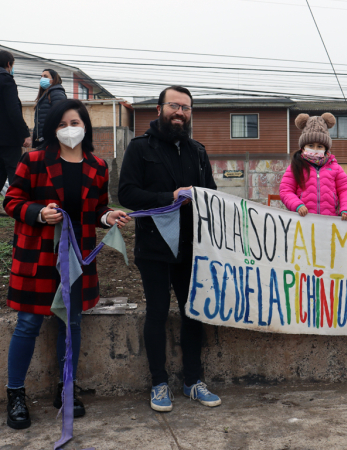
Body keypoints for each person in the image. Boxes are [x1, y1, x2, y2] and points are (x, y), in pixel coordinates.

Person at [2, 99, 131, 429]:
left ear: (85, 126)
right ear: (51, 130)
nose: (68, 129)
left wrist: (108, 216)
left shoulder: (98, 166)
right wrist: (39, 213)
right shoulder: (33, 161)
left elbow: (96, 210)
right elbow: (11, 200)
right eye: (61, 125)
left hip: (78, 257)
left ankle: (66, 387)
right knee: (28, 323)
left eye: (74, 122)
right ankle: (15, 393)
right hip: (38, 256)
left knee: (70, 325)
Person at [118, 86, 220, 412]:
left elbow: (212, 196)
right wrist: (169, 197)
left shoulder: (198, 151)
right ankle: (159, 383)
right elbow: (127, 194)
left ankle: (194, 381)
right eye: (174, 105)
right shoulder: (139, 149)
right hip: (154, 248)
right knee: (158, 313)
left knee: (194, 314)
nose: (180, 112)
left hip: (192, 249)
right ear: (159, 109)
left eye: (186, 108)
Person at [279, 113, 347, 220]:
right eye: (310, 145)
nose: (315, 149)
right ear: (303, 147)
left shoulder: (335, 168)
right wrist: (297, 205)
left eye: (319, 146)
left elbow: (346, 190)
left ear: (325, 149)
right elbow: (285, 190)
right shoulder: (296, 166)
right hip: (302, 221)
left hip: (330, 223)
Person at [0, 50, 31, 216]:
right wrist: (24, 133)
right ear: (9, 64)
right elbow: (13, 110)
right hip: (8, 135)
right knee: (14, 169)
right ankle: (18, 204)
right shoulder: (6, 80)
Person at [33, 69, 67, 147]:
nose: (42, 79)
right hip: (44, 138)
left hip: (51, 139)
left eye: (45, 76)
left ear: (53, 79)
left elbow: (61, 115)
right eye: (41, 76)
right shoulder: (46, 94)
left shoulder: (56, 93)